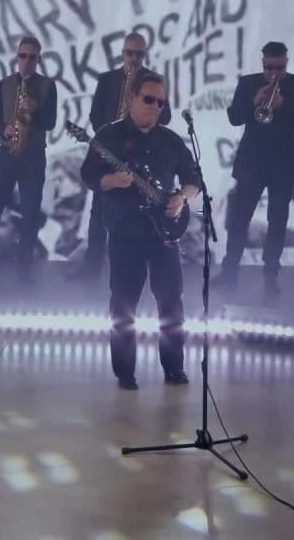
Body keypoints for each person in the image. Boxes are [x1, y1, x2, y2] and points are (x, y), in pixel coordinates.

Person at [80, 72, 199, 389]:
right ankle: (125, 372)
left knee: (171, 305)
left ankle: (174, 368)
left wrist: (181, 199)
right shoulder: (109, 136)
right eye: (149, 100)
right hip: (125, 235)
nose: (155, 107)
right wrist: (113, 181)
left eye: (161, 102)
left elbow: (193, 180)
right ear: (132, 97)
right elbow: (90, 175)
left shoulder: (170, 140)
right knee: (123, 307)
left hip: (165, 237)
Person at [69, 32, 170, 281]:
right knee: (98, 212)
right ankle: (92, 268)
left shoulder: (154, 81)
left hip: (142, 156)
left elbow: (166, 117)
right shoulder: (107, 79)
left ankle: (138, 270)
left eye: (139, 54)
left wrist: (147, 111)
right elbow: (95, 115)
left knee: (141, 213)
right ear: (122, 53)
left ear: (145, 55)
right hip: (109, 154)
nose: (134, 58)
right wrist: (109, 139)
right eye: (129, 53)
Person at [215, 41, 294, 295]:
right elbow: (234, 117)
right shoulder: (247, 83)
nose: (273, 73)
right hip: (252, 162)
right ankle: (229, 271)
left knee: (277, 221)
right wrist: (254, 102)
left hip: (284, 163)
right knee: (239, 219)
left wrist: (283, 106)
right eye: (269, 67)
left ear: (286, 63)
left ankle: (271, 275)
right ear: (262, 63)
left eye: (279, 68)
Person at [0, 36, 58, 284]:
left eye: (32, 57)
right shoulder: (4, 85)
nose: (26, 61)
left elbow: (50, 122)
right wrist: (3, 128)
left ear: (39, 59)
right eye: (22, 56)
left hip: (34, 155)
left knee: (30, 213)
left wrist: (35, 109)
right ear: (17, 57)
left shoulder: (48, 86)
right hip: (7, 152)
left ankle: (24, 270)